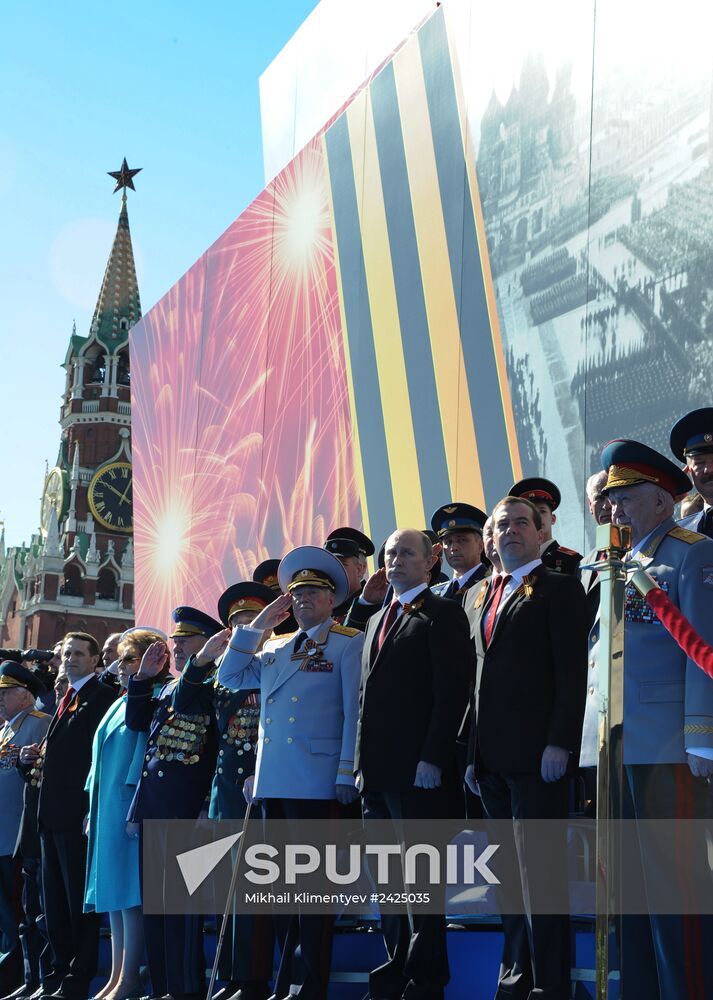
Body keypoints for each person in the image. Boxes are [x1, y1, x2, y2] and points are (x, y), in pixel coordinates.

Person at [580, 439, 713, 999]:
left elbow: (703, 647)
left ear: (662, 500)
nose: (614, 510)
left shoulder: (692, 553)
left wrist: (702, 737)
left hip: (666, 747)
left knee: (673, 889)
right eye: (610, 500)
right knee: (628, 890)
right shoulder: (620, 564)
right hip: (615, 748)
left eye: (626, 497)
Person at [215, 546, 363, 1000]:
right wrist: (259, 625)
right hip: (275, 782)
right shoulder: (276, 646)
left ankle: (309, 986)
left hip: (318, 781)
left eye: (313, 594)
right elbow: (230, 676)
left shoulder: (347, 642)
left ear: (332, 599)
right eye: (296, 595)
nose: (303, 602)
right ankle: (283, 983)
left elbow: (354, 714)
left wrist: (345, 772)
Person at [465, 496, 589, 1000]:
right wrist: (470, 755)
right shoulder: (477, 595)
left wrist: (560, 742)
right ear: (490, 541)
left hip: (540, 758)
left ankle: (550, 984)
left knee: (541, 875)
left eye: (522, 523)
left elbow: (571, 674)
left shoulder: (560, 588)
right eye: (502, 526)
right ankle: (515, 978)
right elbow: (473, 682)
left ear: (542, 533)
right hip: (489, 761)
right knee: (506, 880)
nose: (511, 531)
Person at [356, 529, 473, 1000]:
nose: (396, 562)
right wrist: (359, 766)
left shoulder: (442, 614)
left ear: (431, 562)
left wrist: (432, 756)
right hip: (377, 775)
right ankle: (397, 972)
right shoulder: (375, 621)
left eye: (407, 553)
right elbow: (366, 700)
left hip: (419, 773)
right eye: (389, 555)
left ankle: (425, 983)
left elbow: (452, 695)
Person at [173, 583, 277, 1000]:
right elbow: (184, 704)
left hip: (266, 786)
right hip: (226, 790)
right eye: (236, 625)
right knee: (228, 892)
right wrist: (200, 660)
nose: (243, 631)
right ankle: (234, 976)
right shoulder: (221, 676)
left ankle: (252, 981)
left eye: (251, 623)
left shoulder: (275, 661)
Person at [125, 608, 222, 1000]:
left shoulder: (214, 684)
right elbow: (139, 726)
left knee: (183, 912)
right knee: (157, 910)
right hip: (156, 807)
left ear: (209, 645)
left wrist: (204, 805)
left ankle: (186, 990)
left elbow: (217, 751)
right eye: (175, 640)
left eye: (187, 640)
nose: (177, 647)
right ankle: (163, 988)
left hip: (187, 810)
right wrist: (143, 679)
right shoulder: (168, 687)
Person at [19, 633, 116, 1000]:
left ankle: (77, 980)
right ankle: (56, 976)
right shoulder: (66, 698)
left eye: (79, 654)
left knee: (78, 906)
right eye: (66, 655)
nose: (70, 660)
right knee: (54, 906)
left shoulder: (100, 698)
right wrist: (30, 760)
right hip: (49, 817)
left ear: (95, 661)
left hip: (78, 818)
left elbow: (95, 762)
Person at [83, 630, 166, 1000]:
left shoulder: (153, 695)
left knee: (131, 893)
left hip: (127, 803)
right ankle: (117, 975)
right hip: (107, 804)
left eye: (128, 659)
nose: (118, 667)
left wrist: (136, 804)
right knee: (113, 893)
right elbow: (99, 755)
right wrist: (91, 806)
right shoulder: (121, 699)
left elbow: (143, 752)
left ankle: (129, 977)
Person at [0, 664, 50, 1000]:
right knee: (5, 913)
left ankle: (20, 975)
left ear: (26, 695)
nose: (0, 698)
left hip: (17, 837)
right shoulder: (5, 730)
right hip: (1, 834)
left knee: (19, 912)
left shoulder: (40, 725)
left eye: (6, 692)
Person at [508, 477, 582, 574]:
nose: (537, 518)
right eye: (531, 513)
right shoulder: (515, 563)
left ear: (553, 519)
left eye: (542, 511)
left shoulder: (572, 560)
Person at [429, 502, 489, 602]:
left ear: (480, 546)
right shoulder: (435, 593)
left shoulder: (493, 585)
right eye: (448, 542)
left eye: (462, 540)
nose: (454, 547)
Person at [670, 406, 713, 537]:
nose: (710, 469)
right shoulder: (681, 533)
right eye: (699, 463)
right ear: (689, 471)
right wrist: (666, 503)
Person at [323, 527, 375, 621]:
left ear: (360, 569)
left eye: (341, 564)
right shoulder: (321, 608)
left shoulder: (378, 600)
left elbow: (406, 610)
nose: (334, 570)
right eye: (330, 565)